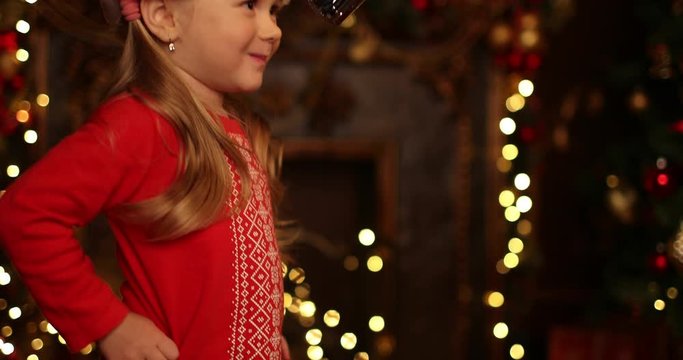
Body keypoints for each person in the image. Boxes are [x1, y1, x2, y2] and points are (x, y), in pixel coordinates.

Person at [0, 0, 290, 358]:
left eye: (274, 9)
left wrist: (263, 339)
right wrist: (110, 324)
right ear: (164, 17)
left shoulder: (238, 129)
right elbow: (26, 213)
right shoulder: (140, 124)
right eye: (249, 5)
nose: (273, 30)